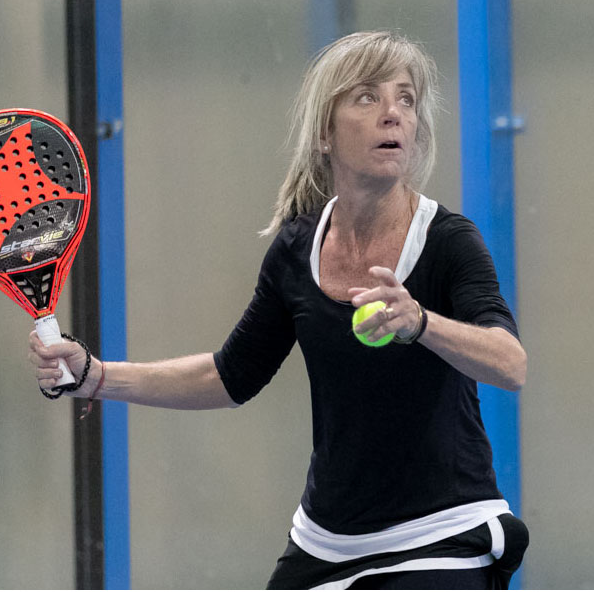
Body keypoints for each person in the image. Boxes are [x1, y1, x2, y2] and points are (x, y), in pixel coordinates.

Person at [29, 30, 529, 589]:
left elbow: (510, 364)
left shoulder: (449, 241)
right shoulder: (296, 249)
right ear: (324, 134)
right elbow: (230, 376)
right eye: (367, 96)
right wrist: (94, 376)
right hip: (325, 541)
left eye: (406, 99)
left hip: (443, 532)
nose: (393, 113)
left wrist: (421, 323)